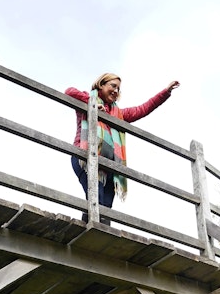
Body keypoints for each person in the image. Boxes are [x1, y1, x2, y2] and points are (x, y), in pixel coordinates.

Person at [66, 74, 179, 222]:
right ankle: (88, 231)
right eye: (113, 86)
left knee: (106, 208)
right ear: (101, 84)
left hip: (109, 167)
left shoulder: (118, 114)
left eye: (118, 88)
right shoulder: (87, 98)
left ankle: (97, 236)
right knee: (96, 199)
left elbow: (143, 109)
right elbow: (69, 91)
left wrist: (166, 92)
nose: (116, 90)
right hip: (85, 158)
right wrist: (91, 103)